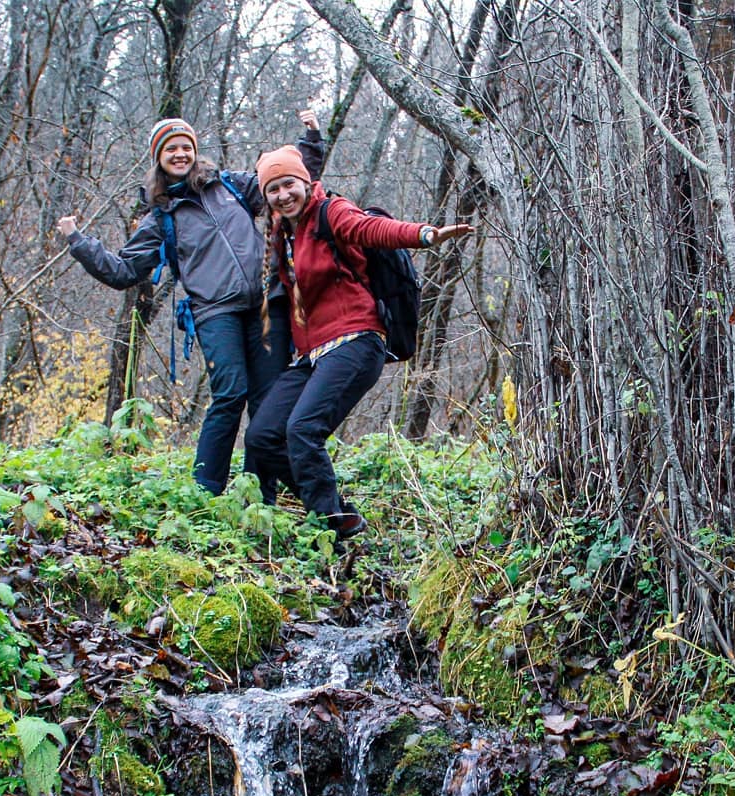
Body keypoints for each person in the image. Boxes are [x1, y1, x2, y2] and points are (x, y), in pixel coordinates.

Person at [57, 111, 325, 495]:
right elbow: (122, 271)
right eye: (171, 149)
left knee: (266, 405)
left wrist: (311, 139)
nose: (180, 154)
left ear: (195, 151)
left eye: (186, 147)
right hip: (216, 312)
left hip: (266, 306)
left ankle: (258, 495)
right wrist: (78, 241)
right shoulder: (161, 218)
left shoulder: (230, 186)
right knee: (230, 395)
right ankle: (205, 491)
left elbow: (287, 183)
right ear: (159, 159)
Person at [243, 146, 473, 539]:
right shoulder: (283, 235)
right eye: (273, 189)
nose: (283, 195)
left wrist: (424, 234)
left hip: (356, 340)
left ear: (306, 182)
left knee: (302, 429)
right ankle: (337, 514)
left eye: (289, 184)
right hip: (313, 354)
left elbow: (372, 229)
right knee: (262, 436)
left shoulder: (331, 212)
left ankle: (328, 528)